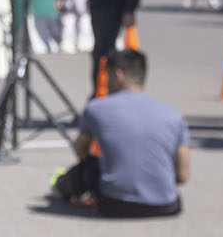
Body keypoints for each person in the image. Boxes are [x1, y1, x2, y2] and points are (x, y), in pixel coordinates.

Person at [50, 49, 189, 217]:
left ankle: (61, 185)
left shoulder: (96, 108)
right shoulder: (173, 116)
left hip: (114, 203)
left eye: (107, 77)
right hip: (166, 205)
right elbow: (182, 175)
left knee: (89, 167)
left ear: (118, 75)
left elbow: (80, 149)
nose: (106, 83)